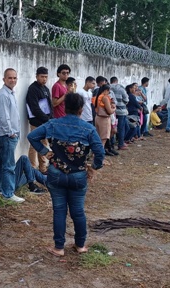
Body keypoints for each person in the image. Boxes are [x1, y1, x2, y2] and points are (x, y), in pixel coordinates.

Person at [27, 93, 105, 257]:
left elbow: (32, 136)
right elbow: (100, 153)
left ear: (64, 107)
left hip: (56, 173)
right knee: (78, 211)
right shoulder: (88, 129)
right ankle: (80, 245)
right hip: (78, 175)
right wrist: (93, 167)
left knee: (59, 211)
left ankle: (59, 247)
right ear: (81, 109)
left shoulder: (53, 124)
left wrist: (44, 151)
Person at [0, 68, 24, 202]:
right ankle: (8, 193)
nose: (12, 80)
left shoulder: (10, 93)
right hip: (6, 135)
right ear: (4, 79)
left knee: (2, 163)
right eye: (10, 78)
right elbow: (4, 116)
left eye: (14, 78)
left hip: (8, 135)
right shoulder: (3, 95)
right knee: (9, 165)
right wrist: (10, 132)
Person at [26, 67, 53, 173]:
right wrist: (47, 119)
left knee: (44, 144)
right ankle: (32, 168)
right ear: (37, 76)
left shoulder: (45, 89)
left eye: (46, 77)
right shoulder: (32, 89)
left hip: (46, 122)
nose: (44, 79)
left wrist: (50, 119)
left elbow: (50, 106)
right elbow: (34, 108)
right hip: (36, 122)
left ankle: (43, 167)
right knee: (33, 145)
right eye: (42, 77)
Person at [92, 85, 116, 154]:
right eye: (109, 91)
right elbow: (110, 111)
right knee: (103, 140)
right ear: (106, 90)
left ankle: (96, 155)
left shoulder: (97, 97)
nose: (109, 93)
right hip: (104, 119)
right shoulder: (105, 97)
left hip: (98, 118)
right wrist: (114, 108)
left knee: (99, 138)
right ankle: (99, 157)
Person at [110, 77, 130, 149]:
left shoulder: (108, 88)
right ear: (117, 81)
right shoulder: (121, 88)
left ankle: (113, 143)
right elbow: (126, 99)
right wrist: (122, 103)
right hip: (122, 111)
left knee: (113, 127)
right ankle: (121, 143)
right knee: (123, 128)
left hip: (112, 111)